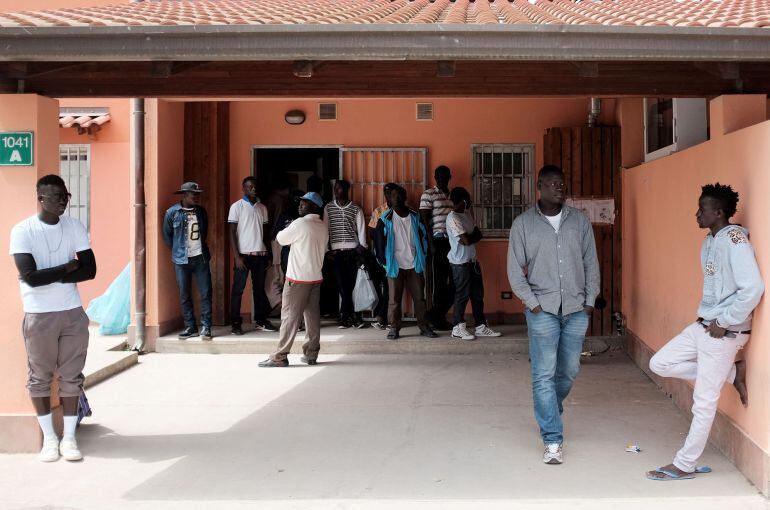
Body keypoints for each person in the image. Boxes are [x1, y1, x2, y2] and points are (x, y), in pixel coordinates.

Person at [646, 183, 764, 481]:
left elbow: (753, 289)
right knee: (659, 363)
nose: (697, 213)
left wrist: (724, 321)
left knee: (704, 400)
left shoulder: (735, 240)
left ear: (719, 212)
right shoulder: (709, 241)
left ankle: (685, 464)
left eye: (703, 209)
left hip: (723, 332)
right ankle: (731, 374)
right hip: (703, 325)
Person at [507, 164, 600, 465]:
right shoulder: (523, 224)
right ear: (539, 187)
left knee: (570, 370)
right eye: (552, 184)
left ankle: (549, 409)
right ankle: (552, 439)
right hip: (542, 310)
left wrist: (589, 302)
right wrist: (533, 304)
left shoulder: (579, 221)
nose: (559, 188)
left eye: (562, 183)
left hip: (575, 308)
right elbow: (514, 271)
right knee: (543, 374)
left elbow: (591, 264)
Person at [10, 174, 97, 462]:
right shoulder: (23, 231)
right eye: (55, 196)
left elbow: (89, 270)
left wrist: (53, 274)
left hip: (71, 312)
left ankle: (69, 438)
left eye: (66, 196)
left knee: (72, 377)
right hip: (39, 314)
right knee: (40, 378)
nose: (62, 201)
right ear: (41, 198)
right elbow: (31, 278)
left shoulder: (74, 227)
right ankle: (49, 438)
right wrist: (67, 268)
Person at [259, 192, 329, 367]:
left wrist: (290, 230)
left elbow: (281, 239)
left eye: (304, 203)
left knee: (289, 317)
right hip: (315, 278)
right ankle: (311, 354)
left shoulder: (300, 224)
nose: (299, 206)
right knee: (312, 317)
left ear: (313, 206)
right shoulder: (322, 226)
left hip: (297, 279)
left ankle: (280, 356)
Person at [374, 185, 438, 340]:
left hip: (414, 264)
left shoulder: (415, 217)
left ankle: (424, 326)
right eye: (393, 196)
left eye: (399, 195)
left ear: (404, 197)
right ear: (389, 198)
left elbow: (424, 237)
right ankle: (394, 328)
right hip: (395, 265)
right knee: (394, 300)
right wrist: (385, 263)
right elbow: (378, 243)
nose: (396, 198)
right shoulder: (385, 219)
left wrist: (423, 255)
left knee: (420, 299)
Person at [445, 187, 501, 341]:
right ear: (463, 200)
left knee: (477, 296)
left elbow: (478, 234)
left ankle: (480, 327)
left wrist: (471, 236)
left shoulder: (467, 214)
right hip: (460, 264)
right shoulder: (452, 218)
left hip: (472, 262)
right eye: (468, 199)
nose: (470, 201)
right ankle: (457, 327)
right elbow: (466, 240)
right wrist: (471, 236)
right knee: (462, 296)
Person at [162, 182, 212, 340]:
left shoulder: (201, 212)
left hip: (200, 258)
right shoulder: (172, 213)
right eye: (193, 194)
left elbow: (204, 232)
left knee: (206, 292)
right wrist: (179, 251)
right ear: (184, 195)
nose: (196, 196)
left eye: (198, 194)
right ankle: (191, 327)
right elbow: (167, 236)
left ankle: (206, 327)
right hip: (181, 260)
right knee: (184, 294)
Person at [228, 176, 277, 335]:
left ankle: (261, 320)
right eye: (250, 187)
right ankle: (236, 322)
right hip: (243, 256)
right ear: (244, 188)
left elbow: (265, 234)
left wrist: (269, 254)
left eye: (255, 187)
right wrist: (237, 256)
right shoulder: (237, 207)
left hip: (260, 255)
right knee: (238, 290)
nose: (253, 189)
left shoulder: (262, 208)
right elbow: (232, 232)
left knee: (259, 290)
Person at [323, 179, 368, 329]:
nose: (336, 192)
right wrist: (326, 250)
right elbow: (325, 229)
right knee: (342, 285)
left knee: (352, 285)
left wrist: (361, 249)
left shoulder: (355, 208)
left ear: (346, 190)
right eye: (335, 189)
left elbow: (361, 230)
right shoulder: (328, 208)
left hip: (352, 251)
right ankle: (352, 316)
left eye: (339, 189)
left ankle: (346, 316)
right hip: (336, 253)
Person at [420, 165, 455, 331]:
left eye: (444, 175)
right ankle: (438, 319)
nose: (441, 179)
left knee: (456, 281)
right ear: (434, 177)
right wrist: (431, 243)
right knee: (439, 283)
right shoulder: (428, 194)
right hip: (438, 241)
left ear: (450, 176)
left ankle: (433, 315)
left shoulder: (453, 195)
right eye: (438, 176)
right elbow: (425, 220)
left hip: (454, 242)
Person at [368, 183, 397, 330]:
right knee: (379, 287)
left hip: (394, 256)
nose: (388, 196)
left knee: (389, 288)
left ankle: (384, 318)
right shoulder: (379, 210)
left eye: (390, 193)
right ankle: (382, 316)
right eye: (386, 194)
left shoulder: (402, 210)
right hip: (380, 255)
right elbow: (372, 233)